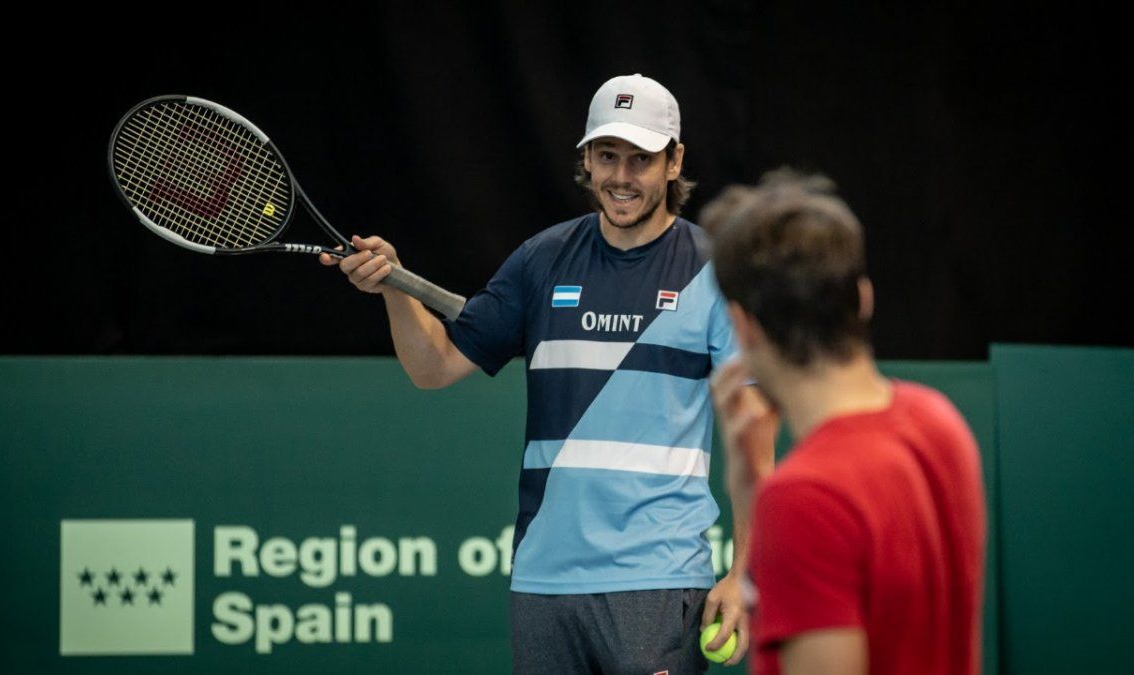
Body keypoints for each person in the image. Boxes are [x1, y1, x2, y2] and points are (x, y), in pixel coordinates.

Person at [323, 74, 771, 673]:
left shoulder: (714, 270)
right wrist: (394, 292)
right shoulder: (540, 260)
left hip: (657, 580)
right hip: (542, 579)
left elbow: (753, 434)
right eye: (607, 156)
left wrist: (744, 573)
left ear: (674, 162)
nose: (621, 176)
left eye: (641, 159)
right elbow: (433, 367)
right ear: (586, 159)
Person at [703, 170, 987, 675]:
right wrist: (752, 491)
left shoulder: (804, 500)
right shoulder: (940, 421)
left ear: (742, 326)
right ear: (863, 297)